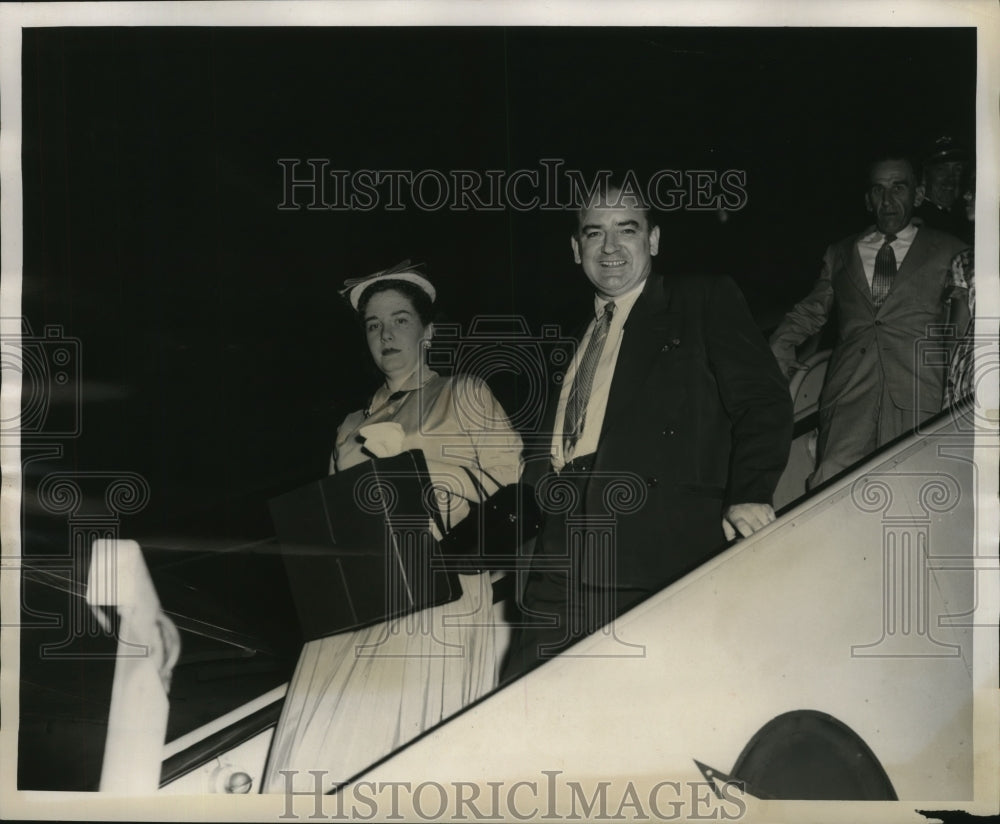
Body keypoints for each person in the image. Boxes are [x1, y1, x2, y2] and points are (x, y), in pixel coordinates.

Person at [501, 181, 792, 681]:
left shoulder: (702, 299)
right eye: (594, 233)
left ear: (653, 240)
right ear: (576, 249)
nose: (610, 247)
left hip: (655, 550)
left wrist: (750, 491)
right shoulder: (569, 343)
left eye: (626, 230)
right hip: (559, 557)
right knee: (522, 707)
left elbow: (763, 401)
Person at [263, 263, 523, 793]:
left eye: (400, 320)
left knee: (402, 753)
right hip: (358, 602)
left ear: (428, 331)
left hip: (435, 595)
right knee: (319, 751)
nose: (386, 335)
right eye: (373, 324)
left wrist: (415, 467)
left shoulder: (464, 392)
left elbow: (511, 485)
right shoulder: (350, 424)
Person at [770, 153, 970, 488]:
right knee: (829, 483)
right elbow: (811, 311)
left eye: (898, 188)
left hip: (920, 392)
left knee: (911, 490)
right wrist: (778, 348)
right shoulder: (840, 252)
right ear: (867, 199)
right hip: (849, 393)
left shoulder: (952, 250)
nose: (888, 200)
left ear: (918, 195)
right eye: (878, 190)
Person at [914, 135, 973, 244]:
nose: (950, 178)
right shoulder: (917, 221)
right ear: (925, 176)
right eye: (941, 169)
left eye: (957, 169)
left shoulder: (964, 216)